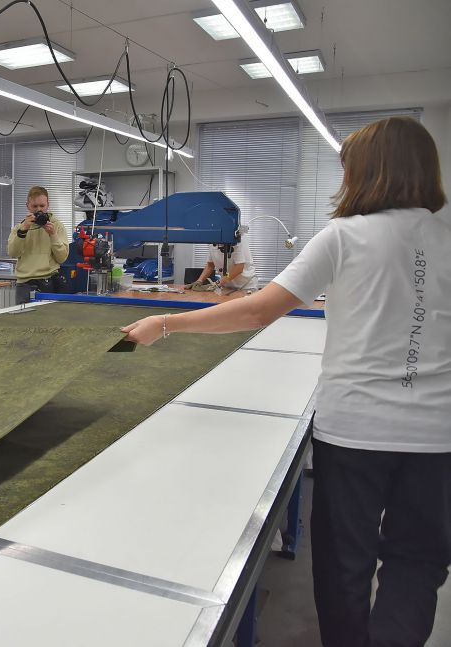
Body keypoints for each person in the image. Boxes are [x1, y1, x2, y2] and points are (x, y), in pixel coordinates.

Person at [122, 116, 450, 647]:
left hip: (355, 431)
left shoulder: (345, 236)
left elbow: (258, 311)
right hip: (436, 435)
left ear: (369, 172)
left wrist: (166, 322)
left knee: (344, 565)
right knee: (418, 561)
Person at [7, 186, 70, 303]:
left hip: (48, 281)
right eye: (34, 206)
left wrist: (53, 235)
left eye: (42, 206)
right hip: (24, 284)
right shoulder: (19, 227)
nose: (38, 210)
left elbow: (62, 258)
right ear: (27, 206)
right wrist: (23, 231)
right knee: (22, 315)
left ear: (48, 205)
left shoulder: (57, 226)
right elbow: (13, 253)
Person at [187, 240, 258, 293]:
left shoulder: (238, 239)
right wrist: (199, 281)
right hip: (227, 287)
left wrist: (218, 283)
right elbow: (210, 265)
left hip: (246, 286)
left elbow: (239, 267)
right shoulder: (212, 242)